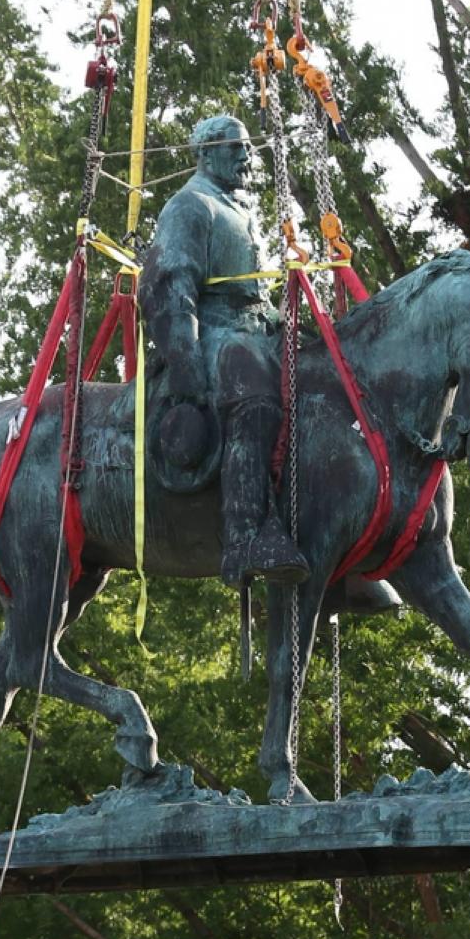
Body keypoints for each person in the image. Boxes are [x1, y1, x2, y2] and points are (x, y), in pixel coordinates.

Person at [139, 113, 309, 587]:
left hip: (251, 330)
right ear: (206, 151)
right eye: (236, 148)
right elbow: (172, 288)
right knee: (253, 396)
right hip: (211, 334)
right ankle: (245, 535)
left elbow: (254, 294)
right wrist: (185, 363)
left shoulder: (236, 210)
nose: (246, 157)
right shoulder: (190, 206)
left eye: (248, 149)